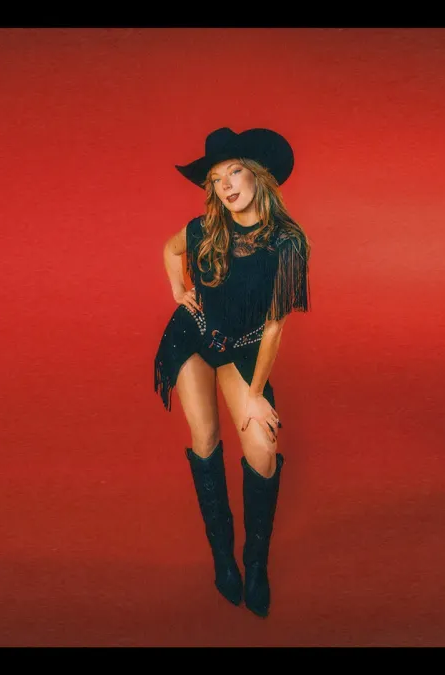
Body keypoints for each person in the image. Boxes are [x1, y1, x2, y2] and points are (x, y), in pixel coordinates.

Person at [153, 127, 311, 617]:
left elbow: (274, 326)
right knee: (205, 439)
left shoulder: (287, 242)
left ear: (258, 175)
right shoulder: (204, 227)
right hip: (194, 337)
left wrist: (257, 393)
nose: (225, 185)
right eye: (216, 179)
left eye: (234, 171)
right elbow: (170, 250)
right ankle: (223, 558)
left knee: (262, 448)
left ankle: (255, 564)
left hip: (245, 348)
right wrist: (179, 290)